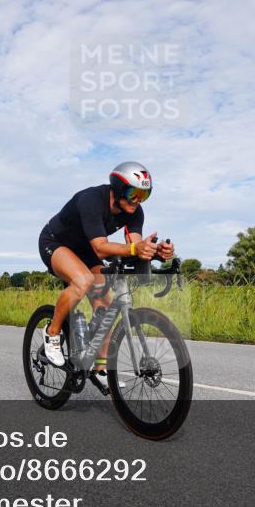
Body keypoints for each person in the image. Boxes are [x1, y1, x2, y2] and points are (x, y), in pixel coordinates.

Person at [37, 161, 174, 389]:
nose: (138, 200)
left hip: (86, 250)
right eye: (134, 193)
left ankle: (100, 367)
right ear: (119, 188)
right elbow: (101, 247)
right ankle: (52, 334)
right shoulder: (91, 200)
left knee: (106, 303)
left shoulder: (134, 212)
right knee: (83, 281)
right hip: (56, 242)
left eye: (144, 195)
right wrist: (134, 249)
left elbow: (135, 247)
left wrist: (157, 252)